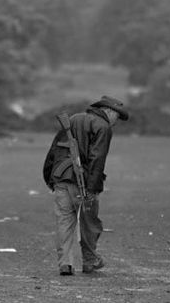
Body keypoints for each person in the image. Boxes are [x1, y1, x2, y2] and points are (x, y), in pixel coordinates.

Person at [43, 95, 129, 275]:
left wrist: (49, 177)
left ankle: (65, 264)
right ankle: (89, 260)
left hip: (60, 177)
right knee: (90, 223)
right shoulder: (103, 127)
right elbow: (97, 159)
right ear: (109, 111)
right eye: (117, 117)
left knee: (64, 223)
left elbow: (55, 150)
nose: (117, 122)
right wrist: (92, 189)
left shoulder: (73, 119)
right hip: (83, 182)